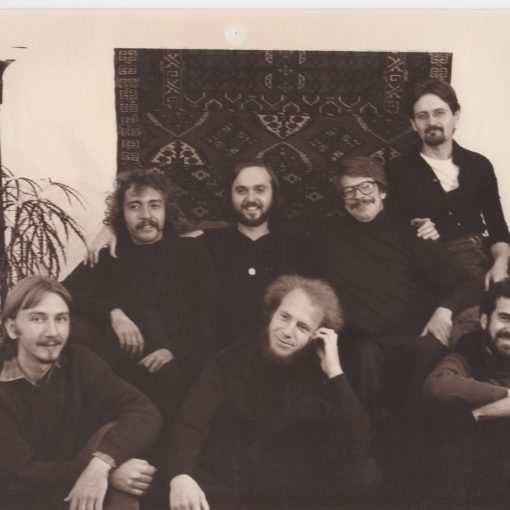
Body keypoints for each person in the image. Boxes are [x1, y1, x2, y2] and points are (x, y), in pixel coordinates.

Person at [167, 275, 381, 510]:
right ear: (272, 313)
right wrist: (180, 476)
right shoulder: (230, 360)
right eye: (284, 317)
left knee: (365, 473)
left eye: (302, 327)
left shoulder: (325, 370)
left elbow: (360, 442)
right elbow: (191, 422)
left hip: (300, 492)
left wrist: (334, 371)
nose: (287, 331)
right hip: (240, 484)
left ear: (317, 335)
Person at [314, 156, 481, 423]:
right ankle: (369, 436)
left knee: (428, 350)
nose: (359, 196)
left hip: (409, 340)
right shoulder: (326, 236)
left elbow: (468, 282)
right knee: (363, 353)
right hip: (359, 342)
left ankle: (411, 436)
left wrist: (444, 311)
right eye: (349, 190)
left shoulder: (412, 234)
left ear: (382, 191)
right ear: (342, 199)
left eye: (366, 186)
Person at [86, 161, 314, 351]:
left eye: (260, 190)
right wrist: (112, 229)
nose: (251, 198)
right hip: (222, 356)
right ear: (230, 196)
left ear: (274, 194)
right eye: (241, 190)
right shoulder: (205, 242)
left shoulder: (298, 246)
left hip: (281, 351)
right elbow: (154, 234)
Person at [63, 167, 217, 419]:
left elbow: (209, 312)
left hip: (178, 366)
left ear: (166, 210)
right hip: (121, 374)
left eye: (154, 205)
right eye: (135, 206)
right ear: (122, 215)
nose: (146, 215)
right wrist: (113, 312)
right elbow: (62, 292)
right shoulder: (110, 255)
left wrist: (173, 351)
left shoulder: (191, 252)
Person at [0, 275, 162, 510]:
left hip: (73, 492)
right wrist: (109, 474)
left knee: (119, 452)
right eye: (38, 319)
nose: (52, 332)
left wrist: (102, 464)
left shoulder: (78, 360)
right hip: (20, 501)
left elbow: (145, 411)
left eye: (61, 319)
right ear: (13, 328)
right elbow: (20, 475)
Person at [386, 79, 510, 289]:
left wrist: (500, 265)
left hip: (480, 255)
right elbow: (391, 227)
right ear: (414, 124)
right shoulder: (397, 170)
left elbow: (497, 225)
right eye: (422, 116)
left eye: (439, 113)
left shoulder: (478, 165)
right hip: (432, 263)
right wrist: (414, 225)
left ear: (456, 116)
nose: (431, 121)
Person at [422, 279, 510, 504]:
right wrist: (506, 395)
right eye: (504, 318)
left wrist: (479, 413)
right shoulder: (470, 350)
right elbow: (438, 385)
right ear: (485, 320)